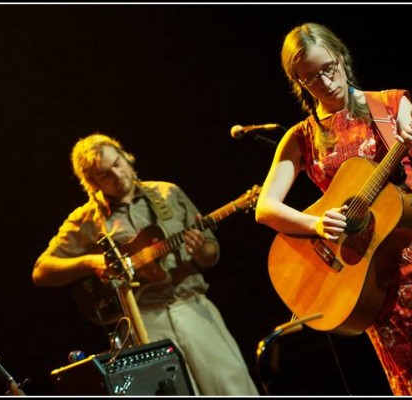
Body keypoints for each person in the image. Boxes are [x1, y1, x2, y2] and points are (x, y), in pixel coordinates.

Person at [255, 22, 412, 396]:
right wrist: (315, 224)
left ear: (342, 58)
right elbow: (266, 208)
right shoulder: (300, 138)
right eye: (310, 78)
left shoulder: (389, 104)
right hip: (367, 276)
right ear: (298, 82)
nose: (324, 81)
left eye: (328, 68)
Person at [32, 132, 260, 396]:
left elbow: (211, 254)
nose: (116, 174)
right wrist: (92, 261)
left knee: (232, 387)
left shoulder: (168, 192)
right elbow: (41, 271)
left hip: (192, 306)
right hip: (145, 321)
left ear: (127, 158)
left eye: (117, 164)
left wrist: (201, 249)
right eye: (105, 174)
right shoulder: (85, 220)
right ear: (92, 183)